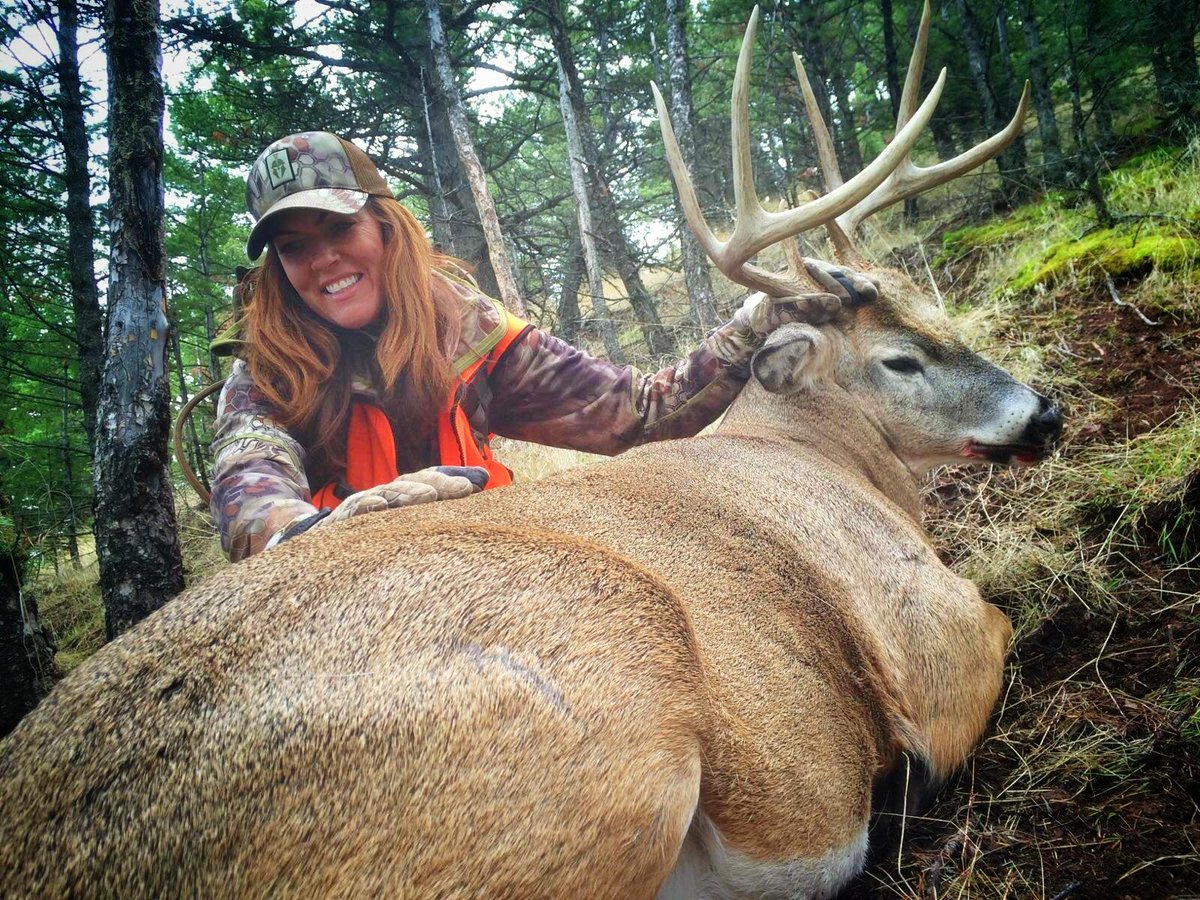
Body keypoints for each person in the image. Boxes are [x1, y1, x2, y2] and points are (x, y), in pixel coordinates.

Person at [212, 132, 877, 562]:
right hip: (345, 578)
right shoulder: (267, 367)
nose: (322, 260)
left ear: (386, 226)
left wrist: (752, 324)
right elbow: (251, 484)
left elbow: (639, 413)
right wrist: (310, 532)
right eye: (293, 247)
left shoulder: (471, 331)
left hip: (484, 562)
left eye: (338, 228)